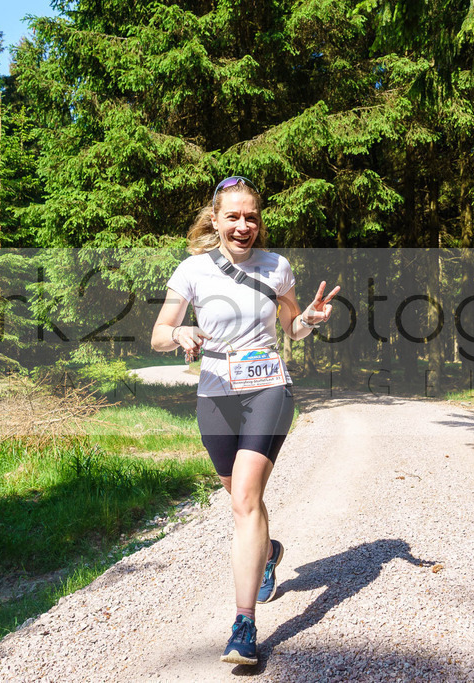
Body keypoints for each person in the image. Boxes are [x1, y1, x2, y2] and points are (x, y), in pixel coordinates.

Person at [151, 176, 339, 665]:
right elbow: (158, 335)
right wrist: (182, 331)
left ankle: (244, 624)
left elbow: (292, 327)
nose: (242, 226)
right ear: (215, 219)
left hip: (268, 389)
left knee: (245, 501)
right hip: (215, 394)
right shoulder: (192, 270)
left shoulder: (277, 268)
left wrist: (310, 320)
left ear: (260, 221)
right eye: (232, 216)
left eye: (250, 217)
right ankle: (270, 551)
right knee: (239, 499)